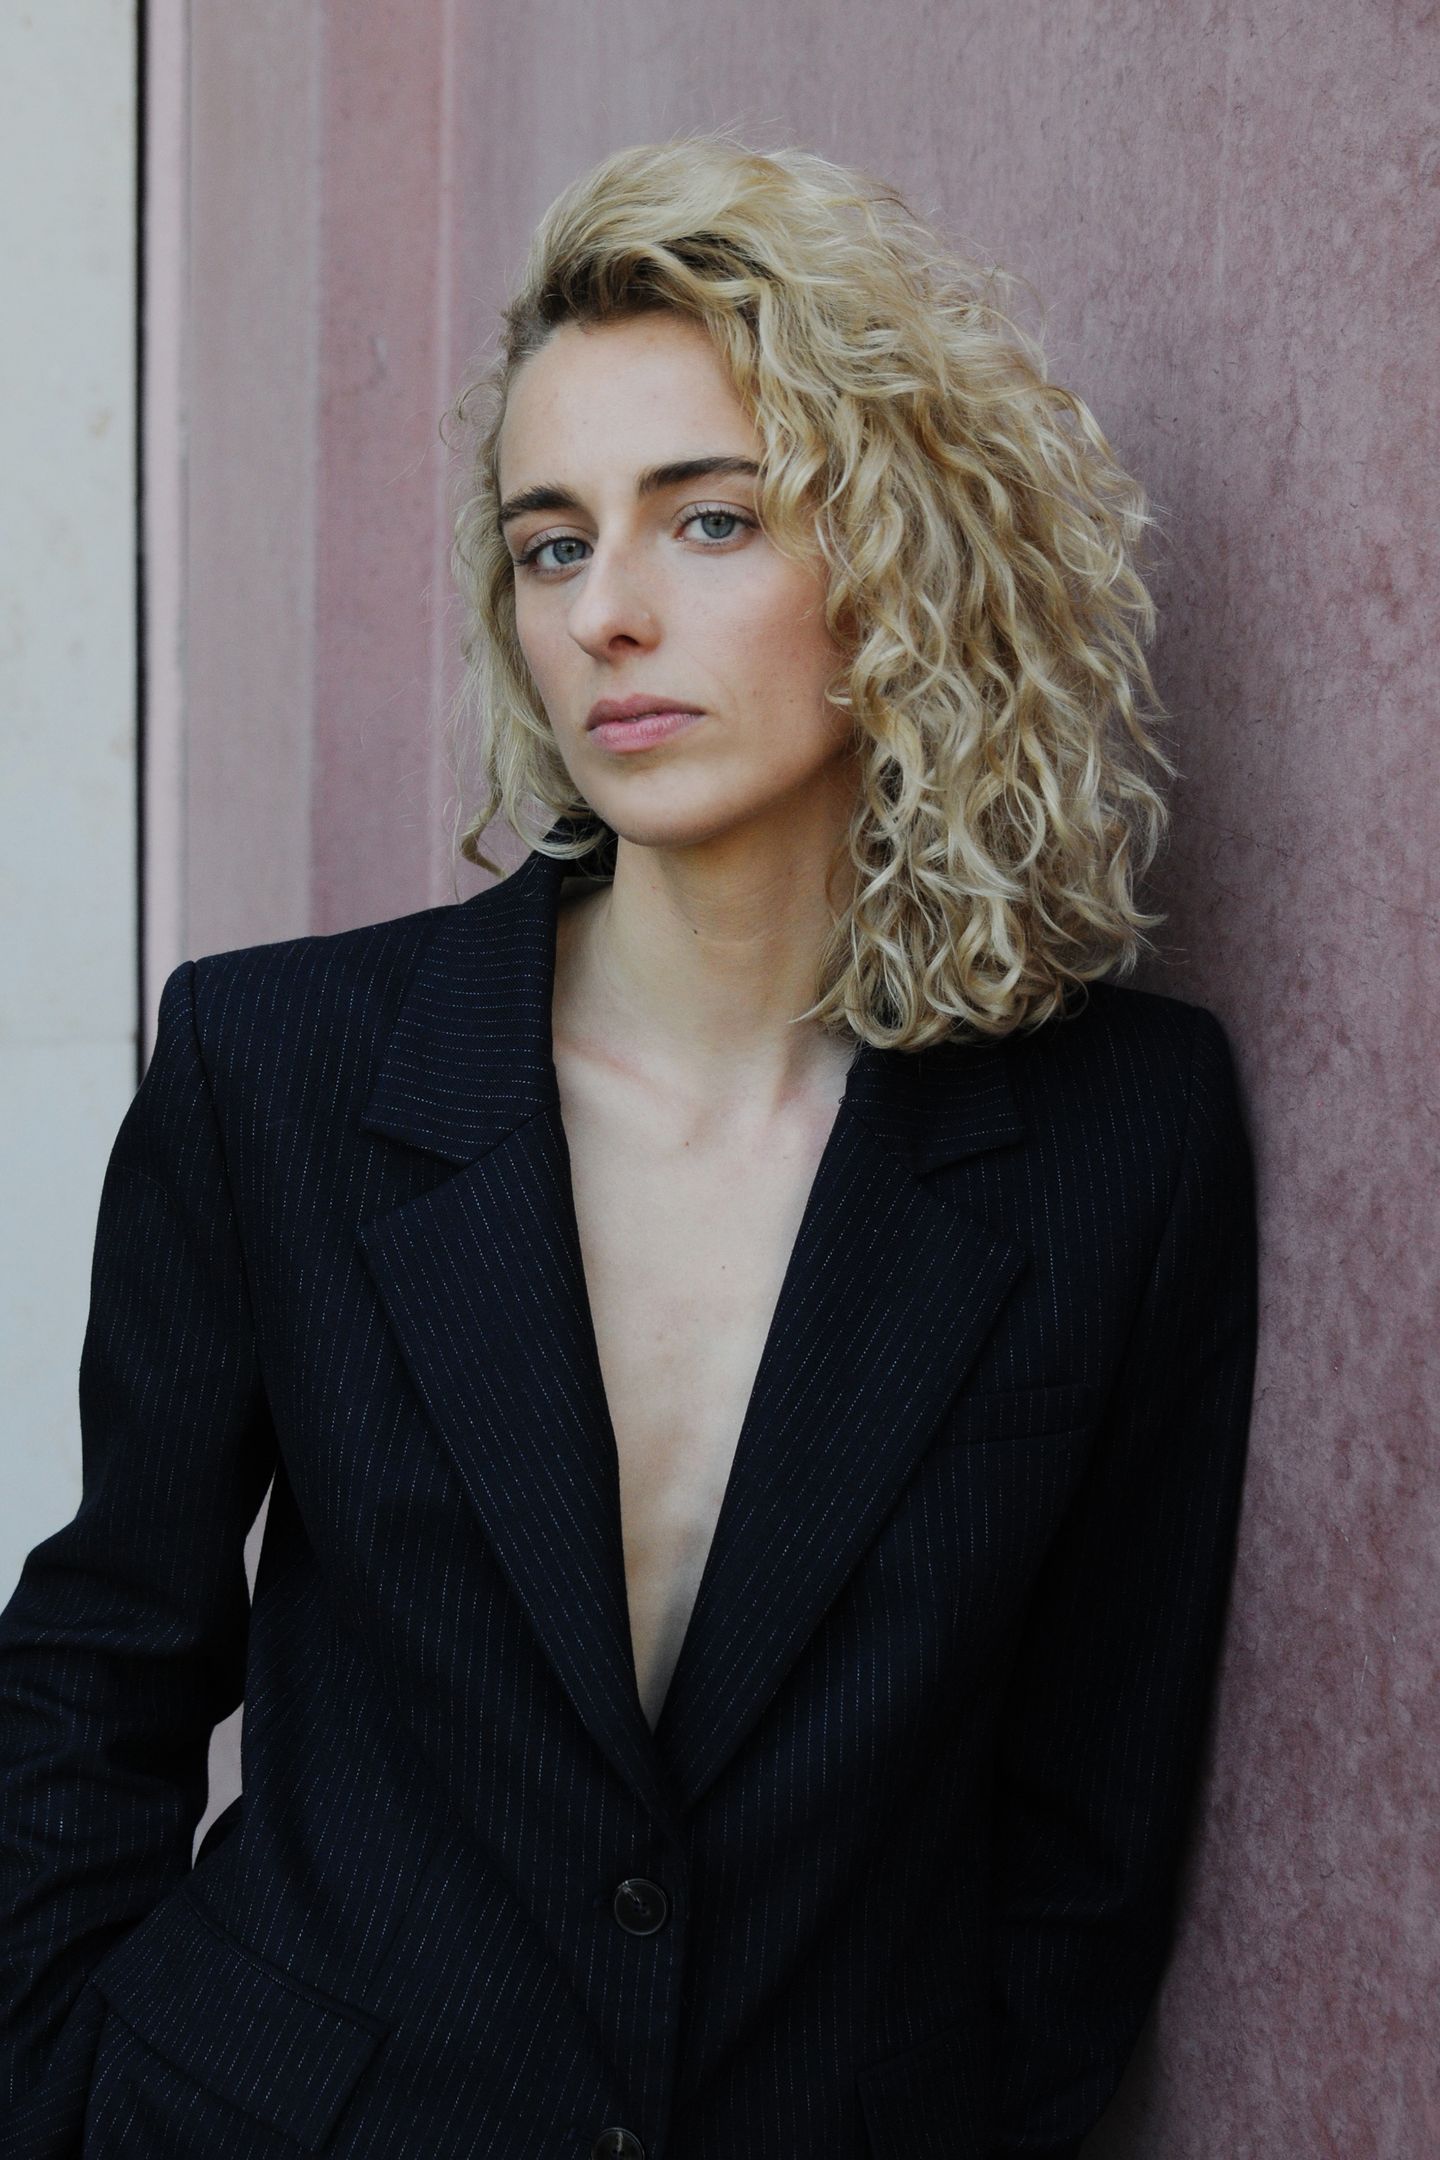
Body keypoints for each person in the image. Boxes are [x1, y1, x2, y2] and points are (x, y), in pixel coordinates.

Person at [0, 130, 1259, 2160]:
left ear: (902, 558)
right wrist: (63, 2095)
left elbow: (1089, 1817)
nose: (608, 614)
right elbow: (97, 1666)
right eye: (552, 544)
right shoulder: (282, 1071)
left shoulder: (1123, 1140)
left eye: (712, 519)